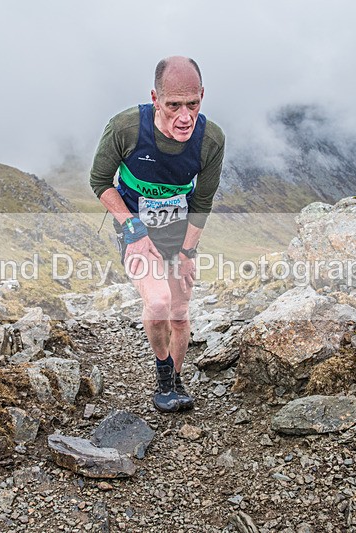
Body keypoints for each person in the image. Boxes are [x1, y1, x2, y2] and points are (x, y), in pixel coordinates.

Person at [89, 56, 225, 413]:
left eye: (193, 104)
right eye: (174, 105)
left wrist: (188, 253)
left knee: (179, 314)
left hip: (180, 234)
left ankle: (176, 380)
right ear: (155, 98)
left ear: (202, 96)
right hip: (137, 231)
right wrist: (132, 228)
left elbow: (203, 200)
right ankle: (163, 372)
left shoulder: (210, 139)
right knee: (160, 302)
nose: (185, 116)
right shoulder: (126, 128)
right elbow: (99, 181)